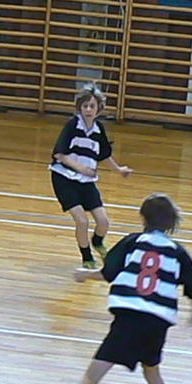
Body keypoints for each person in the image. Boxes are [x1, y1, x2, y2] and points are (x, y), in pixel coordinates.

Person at [63, 193, 192, 384]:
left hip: (129, 319)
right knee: (152, 373)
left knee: (89, 380)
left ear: (143, 218)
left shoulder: (133, 242)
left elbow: (108, 273)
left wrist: (85, 275)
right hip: (157, 323)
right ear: (171, 222)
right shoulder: (177, 251)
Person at [50, 84, 133, 269]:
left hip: (86, 182)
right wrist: (81, 168)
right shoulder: (72, 125)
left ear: (98, 109)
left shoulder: (98, 129)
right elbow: (59, 154)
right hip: (64, 178)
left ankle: (97, 242)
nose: (88, 109)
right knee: (82, 221)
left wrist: (119, 169)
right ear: (79, 107)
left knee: (103, 222)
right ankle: (87, 257)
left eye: (92, 106)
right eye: (85, 106)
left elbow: (104, 154)